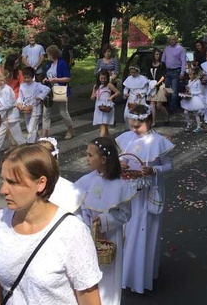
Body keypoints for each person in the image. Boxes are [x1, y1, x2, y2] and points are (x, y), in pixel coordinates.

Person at [0, 144, 102, 304]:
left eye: (12, 182)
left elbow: (88, 299)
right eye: (3, 180)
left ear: (40, 183)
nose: (3, 190)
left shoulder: (72, 232)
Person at [116, 104, 174, 294]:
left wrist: (153, 169)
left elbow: (168, 165)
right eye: (131, 126)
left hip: (148, 191)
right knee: (127, 229)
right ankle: (124, 273)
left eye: (137, 126)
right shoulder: (128, 139)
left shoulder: (158, 141)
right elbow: (123, 158)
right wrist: (122, 164)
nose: (134, 130)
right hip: (130, 191)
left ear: (148, 121)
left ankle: (141, 276)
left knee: (144, 231)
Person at [75, 137, 136, 305]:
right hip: (87, 235)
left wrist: (104, 220)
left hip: (109, 237)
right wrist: (83, 219)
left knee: (107, 280)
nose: (87, 158)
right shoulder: (86, 181)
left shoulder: (121, 185)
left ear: (103, 159)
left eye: (90, 155)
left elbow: (125, 214)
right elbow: (77, 205)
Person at [41, 45, 74, 140]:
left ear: (53, 54)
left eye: (48, 54)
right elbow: (48, 75)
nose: (47, 56)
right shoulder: (49, 64)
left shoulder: (61, 63)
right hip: (49, 90)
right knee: (46, 113)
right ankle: (45, 133)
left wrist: (56, 80)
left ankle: (70, 129)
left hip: (59, 89)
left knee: (63, 112)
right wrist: (46, 79)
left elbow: (68, 78)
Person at [17, 67, 51, 143]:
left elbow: (47, 89)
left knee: (32, 128)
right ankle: (37, 141)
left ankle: (30, 144)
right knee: (29, 127)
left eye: (28, 78)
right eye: (24, 78)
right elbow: (20, 97)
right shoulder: (22, 86)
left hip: (35, 109)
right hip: (26, 109)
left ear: (32, 77)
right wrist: (19, 103)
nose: (26, 79)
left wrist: (40, 96)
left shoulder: (37, 85)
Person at [161, 35, 187, 112]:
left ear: (176, 40)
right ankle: (167, 105)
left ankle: (173, 108)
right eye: (170, 39)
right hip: (168, 71)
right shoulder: (167, 48)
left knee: (174, 90)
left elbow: (183, 61)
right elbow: (163, 60)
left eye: (173, 39)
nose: (171, 41)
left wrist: (182, 72)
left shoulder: (181, 49)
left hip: (176, 71)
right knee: (167, 89)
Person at [91, 69, 120, 138]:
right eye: (101, 78)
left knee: (103, 124)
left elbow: (118, 92)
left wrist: (112, 96)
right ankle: (108, 138)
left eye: (105, 78)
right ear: (98, 78)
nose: (103, 80)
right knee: (103, 124)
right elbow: (92, 97)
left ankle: (101, 140)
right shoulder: (96, 86)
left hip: (106, 105)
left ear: (107, 78)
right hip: (99, 106)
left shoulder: (109, 85)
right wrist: (94, 96)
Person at [145, 49, 169, 124]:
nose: (157, 56)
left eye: (158, 54)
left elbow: (163, 76)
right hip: (151, 86)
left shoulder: (162, 64)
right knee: (152, 104)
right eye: (156, 54)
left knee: (158, 105)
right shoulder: (149, 64)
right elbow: (147, 75)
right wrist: (149, 83)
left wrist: (157, 83)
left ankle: (166, 115)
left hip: (160, 85)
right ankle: (153, 121)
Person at [180, 67, 206, 133]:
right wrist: (187, 89)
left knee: (195, 113)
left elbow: (200, 91)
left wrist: (192, 93)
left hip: (195, 98)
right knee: (185, 112)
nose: (189, 76)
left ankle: (198, 126)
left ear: (194, 74)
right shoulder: (189, 81)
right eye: (189, 75)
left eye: (191, 74)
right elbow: (189, 89)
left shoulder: (198, 82)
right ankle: (189, 124)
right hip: (189, 98)